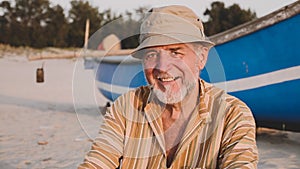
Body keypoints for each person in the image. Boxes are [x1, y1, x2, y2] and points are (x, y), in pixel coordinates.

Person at [78, 5, 258, 169]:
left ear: (202, 57)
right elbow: (97, 162)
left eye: (175, 52)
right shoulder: (125, 107)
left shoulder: (233, 114)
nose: (162, 67)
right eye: (152, 54)